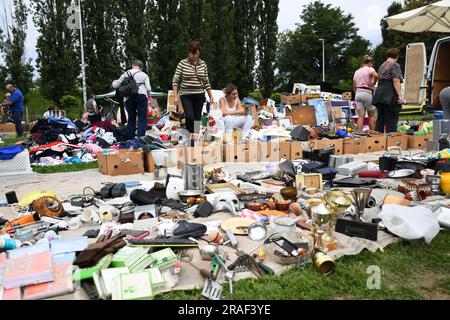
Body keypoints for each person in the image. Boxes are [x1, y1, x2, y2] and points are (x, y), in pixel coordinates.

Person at [172, 40, 214, 134]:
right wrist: (175, 96)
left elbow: (206, 82)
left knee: (197, 118)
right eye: (193, 53)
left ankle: (195, 137)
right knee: (190, 117)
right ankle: (189, 136)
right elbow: (175, 80)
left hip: (199, 94)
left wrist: (210, 96)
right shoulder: (182, 63)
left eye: (197, 53)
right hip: (186, 94)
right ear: (189, 52)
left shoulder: (203, 64)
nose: (195, 56)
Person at [112, 60, 152, 138]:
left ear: (132, 65)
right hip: (141, 96)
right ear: (141, 68)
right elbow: (148, 88)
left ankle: (130, 137)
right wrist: (148, 96)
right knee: (142, 118)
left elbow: (116, 85)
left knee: (131, 118)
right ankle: (141, 138)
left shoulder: (126, 73)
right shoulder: (144, 75)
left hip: (129, 97)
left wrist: (114, 82)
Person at [373, 49, 404, 133]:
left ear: (387, 56)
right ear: (397, 56)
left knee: (381, 119)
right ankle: (391, 142)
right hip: (389, 94)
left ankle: (377, 141)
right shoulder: (395, 65)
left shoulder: (382, 65)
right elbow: (396, 81)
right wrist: (400, 95)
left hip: (379, 94)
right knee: (392, 118)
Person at [353, 56, 378, 132]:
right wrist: (373, 83)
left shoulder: (357, 71)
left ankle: (359, 134)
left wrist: (356, 94)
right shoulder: (370, 69)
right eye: (372, 64)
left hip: (358, 94)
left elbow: (354, 85)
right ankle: (373, 134)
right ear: (370, 63)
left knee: (361, 116)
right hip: (367, 92)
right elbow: (376, 75)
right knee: (371, 116)